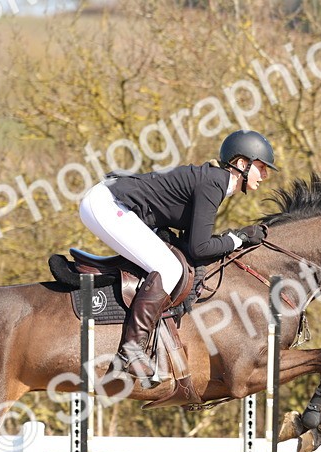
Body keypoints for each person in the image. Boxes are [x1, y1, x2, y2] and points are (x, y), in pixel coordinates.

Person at [79, 129, 278, 386]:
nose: (265, 175)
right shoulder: (214, 183)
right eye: (261, 167)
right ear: (242, 164)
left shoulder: (214, 181)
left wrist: (231, 239)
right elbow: (200, 247)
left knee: (171, 264)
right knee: (168, 269)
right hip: (107, 205)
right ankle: (131, 350)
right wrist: (238, 238)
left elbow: (191, 244)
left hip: (113, 204)